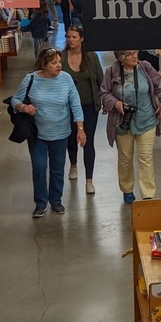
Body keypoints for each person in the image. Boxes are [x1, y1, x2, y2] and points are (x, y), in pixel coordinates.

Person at [11, 48, 86, 217]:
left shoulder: (66, 79)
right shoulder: (30, 79)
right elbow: (15, 100)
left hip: (60, 133)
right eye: (54, 63)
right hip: (37, 134)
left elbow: (76, 105)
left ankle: (56, 200)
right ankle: (40, 202)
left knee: (57, 169)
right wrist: (23, 107)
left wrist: (80, 129)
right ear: (43, 65)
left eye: (59, 62)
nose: (59, 65)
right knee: (39, 167)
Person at [99, 50, 161, 204]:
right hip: (123, 123)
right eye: (129, 54)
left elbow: (160, 87)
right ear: (121, 58)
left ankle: (148, 195)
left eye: (135, 52)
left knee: (146, 158)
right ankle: (127, 189)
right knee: (125, 158)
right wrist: (115, 103)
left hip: (147, 119)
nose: (134, 56)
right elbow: (104, 93)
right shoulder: (112, 71)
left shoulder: (145, 67)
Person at [62, 25, 103, 195]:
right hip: (67, 108)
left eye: (74, 37)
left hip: (88, 106)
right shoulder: (61, 57)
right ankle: (73, 164)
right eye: (68, 37)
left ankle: (89, 180)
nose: (71, 39)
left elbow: (100, 80)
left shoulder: (92, 57)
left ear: (82, 39)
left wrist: (104, 101)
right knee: (71, 138)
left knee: (89, 141)